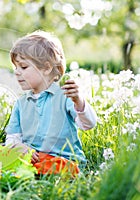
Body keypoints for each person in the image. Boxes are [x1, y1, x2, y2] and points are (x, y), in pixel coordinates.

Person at [5, 30, 97, 176]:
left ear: (46, 68)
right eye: (15, 67)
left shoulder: (65, 96)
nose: (17, 72)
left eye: (23, 67)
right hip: (33, 158)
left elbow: (88, 124)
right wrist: (19, 147)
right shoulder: (21, 103)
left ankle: (29, 172)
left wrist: (78, 101)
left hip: (62, 160)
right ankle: (29, 171)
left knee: (59, 166)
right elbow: (12, 138)